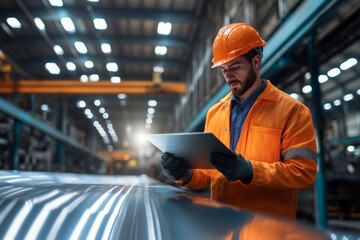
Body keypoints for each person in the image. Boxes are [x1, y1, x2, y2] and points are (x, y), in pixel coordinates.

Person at [160, 23, 317, 220]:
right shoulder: (215, 112)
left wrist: (251, 171)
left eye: (235, 67)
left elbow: (303, 172)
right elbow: (210, 174)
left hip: (267, 231)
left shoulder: (292, 111)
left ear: (256, 62)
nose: (228, 76)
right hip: (221, 226)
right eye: (223, 69)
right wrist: (184, 174)